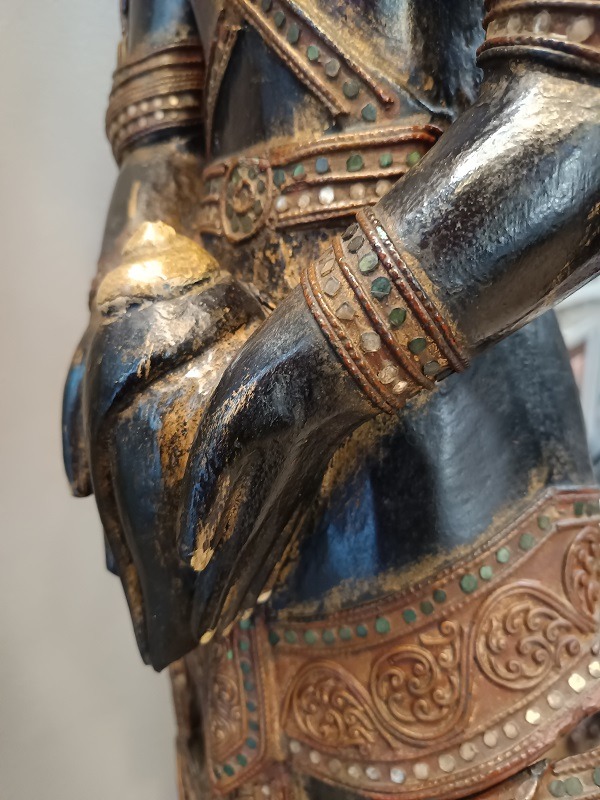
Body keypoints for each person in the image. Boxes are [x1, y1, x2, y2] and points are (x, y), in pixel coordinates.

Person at [63, 1, 600, 797]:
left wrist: (302, 376)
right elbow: (158, 144)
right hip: (222, 474)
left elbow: (575, 107)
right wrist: (133, 303)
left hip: (456, 470)